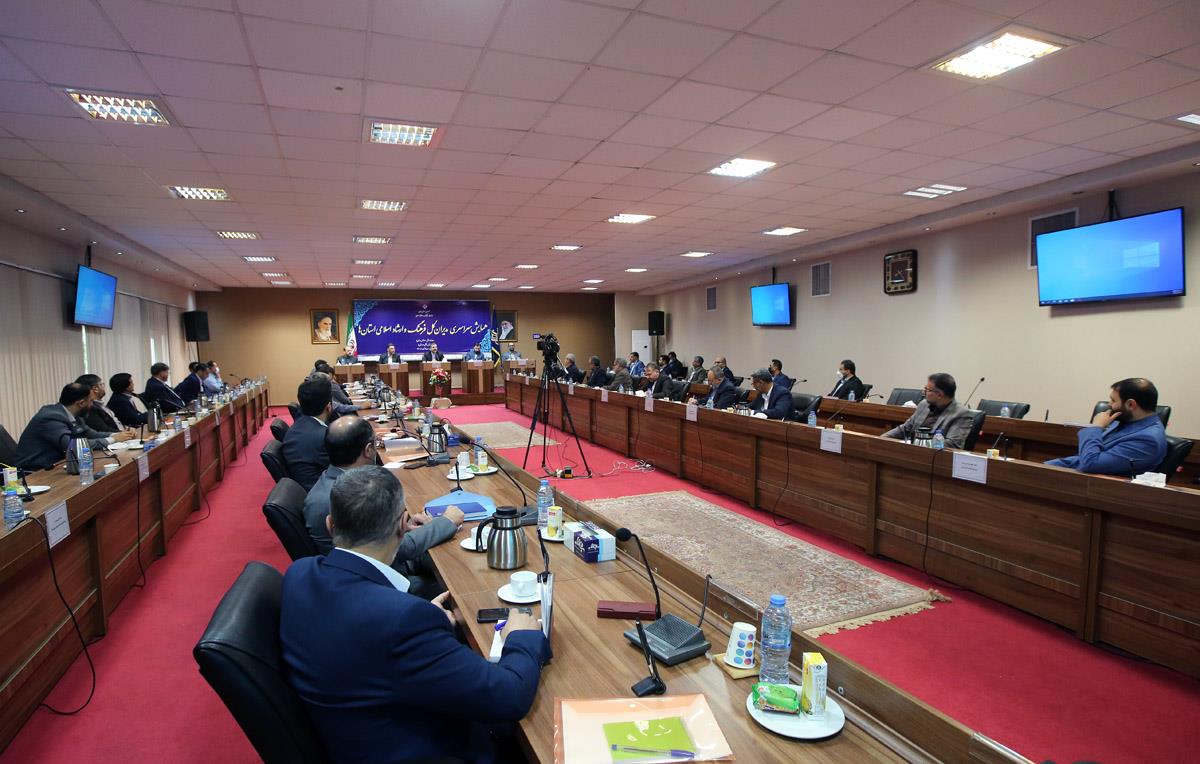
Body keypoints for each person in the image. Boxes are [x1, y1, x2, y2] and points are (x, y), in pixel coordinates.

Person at [280, 465, 549, 763]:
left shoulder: (298, 574)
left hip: (353, 730)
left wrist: (422, 626)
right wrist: (520, 636)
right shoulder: (401, 620)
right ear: (402, 525)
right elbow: (508, 697)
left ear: (330, 525)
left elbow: (365, 632)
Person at [303, 417, 464, 597]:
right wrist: (446, 521)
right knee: (457, 578)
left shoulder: (330, 482)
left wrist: (396, 522)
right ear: (368, 450)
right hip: (376, 584)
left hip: (368, 572)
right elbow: (393, 547)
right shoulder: (342, 495)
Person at [1045, 378, 1168, 475]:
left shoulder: (1148, 440)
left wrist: (1096, 427)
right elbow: (1082, 458)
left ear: (1131, 404)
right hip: (1076, 475)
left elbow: (1090, 464)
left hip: (1095, 489)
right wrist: (1049, 465)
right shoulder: (1126, 421)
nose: (1109, 404)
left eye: (1113, 400)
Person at [15, 383, 132, 470]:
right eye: (91, 401)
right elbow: (73, 446)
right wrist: (113, 439)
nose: (92, 405)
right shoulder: (50, 417)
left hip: (60, 466)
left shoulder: (74, 414)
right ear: (81, 403)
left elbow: (91, 434)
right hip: (36, 472)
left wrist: (118, 435)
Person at [882, 373, 975, 448]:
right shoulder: (924, 404)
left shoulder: (961, 413)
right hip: (912, 452)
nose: (924, 392)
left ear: (939, 395)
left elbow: (952, 444)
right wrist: (882, 439)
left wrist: (918, 445)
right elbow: (905, 428)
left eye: (928, 390)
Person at [282, 377, 335, 491]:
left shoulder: (300, 424)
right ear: (329, 407)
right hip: (324, 491)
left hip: (310, 486)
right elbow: (346, 467)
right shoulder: (322, 436)